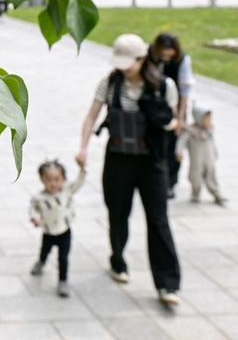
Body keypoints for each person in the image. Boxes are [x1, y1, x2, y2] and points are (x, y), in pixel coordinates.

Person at [76, 33, 182, 307]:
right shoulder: (110, 83)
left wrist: (169, 128)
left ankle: (167, 284)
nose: (124, 68)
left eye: (130, 63)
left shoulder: (164, 86)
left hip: (152, 161)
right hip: (119, 158)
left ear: (142, 58)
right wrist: (83, 147)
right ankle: (118, 261)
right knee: (118, 212)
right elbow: (91, 116)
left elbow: (172, 122)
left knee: (158, 219)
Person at [29, 160, 85, 298]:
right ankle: (41, 261)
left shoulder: (67, 191)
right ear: (42, 179)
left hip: (65, 231)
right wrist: (35, 218)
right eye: (48, 180)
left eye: (57, 179)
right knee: (45, 250)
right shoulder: (39, 197)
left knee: (63, 258)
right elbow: (33, 209)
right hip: (48, 232)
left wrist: (82, 170)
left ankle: (63, 281)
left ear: (63, 179)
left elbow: (78, 183)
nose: (53, 183)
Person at [150, 33, 194, 199]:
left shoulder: (182, 61)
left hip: (175, 109)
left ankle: (170, 183)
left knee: (174, 147)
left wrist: (181, 118)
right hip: (154, 108)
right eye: (163, 51)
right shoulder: (150, 56)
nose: (166, 55)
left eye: (169, 51)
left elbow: (185, 91)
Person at [177, 106, 225, 205]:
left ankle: (216, 193)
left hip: (209, 159)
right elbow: (181, 142)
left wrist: (215, 152)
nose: (209, 121)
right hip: (196, 161)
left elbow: (212, 143)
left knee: (211, 175)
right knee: (195, 177)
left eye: (210, 119)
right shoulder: (190, 131)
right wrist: (179, 152)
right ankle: (196, 192)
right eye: (206, 119)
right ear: (199, 119)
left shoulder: (209, 131)